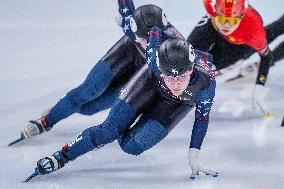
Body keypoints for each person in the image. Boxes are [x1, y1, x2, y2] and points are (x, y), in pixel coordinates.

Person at [25, 28, 218, 182]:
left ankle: (111, 131)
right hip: (149, 83)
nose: (175, 83)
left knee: (132, 146)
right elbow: (156, 30)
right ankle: (62, 156)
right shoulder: (153, 60)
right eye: (169, 76)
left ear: (192, 69)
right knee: (107, 131)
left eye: (182, 77)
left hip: (177, 103)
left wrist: (194, 154)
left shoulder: (206, 84)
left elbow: (201, 120)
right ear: (160, 67)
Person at [15, 1, 184, 144]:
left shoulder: (175, 47)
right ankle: (47, 120)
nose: (146, 41)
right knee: (89, 90)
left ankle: (64, 106)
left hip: (145, 70)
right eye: (141, 37)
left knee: (90, 109)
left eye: (150, 38)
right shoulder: (130, 22)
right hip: (127, 51)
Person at [187, 0, 283, 115]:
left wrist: (260, 84)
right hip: (213, 27)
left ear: (241, 17)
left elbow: (266, 56)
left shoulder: (253, 29)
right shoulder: (210, 6)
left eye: (233, 20)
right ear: (213, 11)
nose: (227, 25)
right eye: (222, 19)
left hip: (238, 43)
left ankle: (241, 59)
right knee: (186, 56)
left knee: (205, 69)